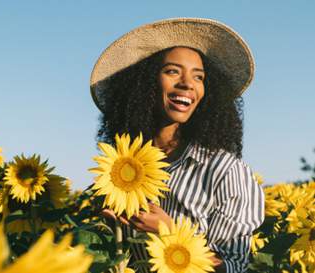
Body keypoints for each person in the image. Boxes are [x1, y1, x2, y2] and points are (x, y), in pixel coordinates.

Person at [90, 18, 265, 273]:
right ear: (144, 82)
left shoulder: (223, 171)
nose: (187, 83)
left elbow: (235, 266)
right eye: (172, 71)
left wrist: (170, 233)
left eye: (199, 76)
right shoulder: (117, 168)